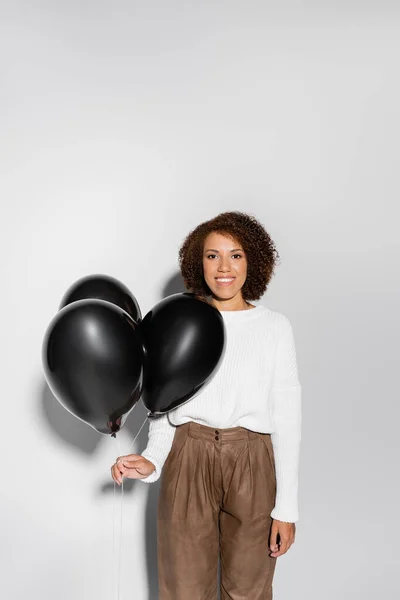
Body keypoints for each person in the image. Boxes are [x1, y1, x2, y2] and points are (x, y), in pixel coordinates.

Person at [111, 211, 302, 600]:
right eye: (212, 256)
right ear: (199, 264)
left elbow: (288, 418)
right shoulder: (180, 321)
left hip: (252, 460)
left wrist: (287, 508)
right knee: (183, 588)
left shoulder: (274, 327)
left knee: (249, 589)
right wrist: (152, 460)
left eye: (236, 255)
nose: (224, 267)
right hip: (189, 455)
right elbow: (165, 404)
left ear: (254, 261)